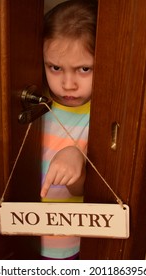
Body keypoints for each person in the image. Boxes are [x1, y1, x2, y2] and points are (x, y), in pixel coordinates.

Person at [40, 0, 97, 260]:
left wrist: (76, 162)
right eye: (55, 67)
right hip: (20, 238)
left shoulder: (102, 116)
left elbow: (90, 192)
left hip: (69, 247)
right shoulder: (34, 105)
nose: (68, 84)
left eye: (84, 69)